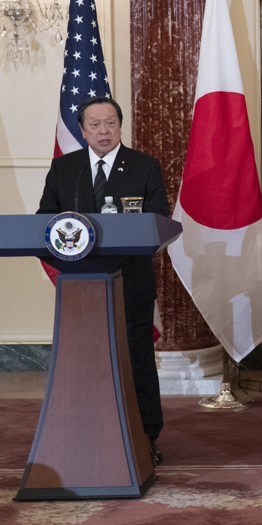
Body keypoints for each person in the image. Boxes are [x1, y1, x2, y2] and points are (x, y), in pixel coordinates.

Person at [38, 96, 170, 464]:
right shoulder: (66, 169)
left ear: (120, 126)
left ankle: (146, 434)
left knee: (136, 357)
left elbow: (159, 220)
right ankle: (82, 432)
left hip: (131, 281)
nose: (103, 130)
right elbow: (44, 220)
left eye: (110, 123)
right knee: (84, 360)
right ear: (81, 130)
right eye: (94, 124)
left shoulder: (144, 167)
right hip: (81, 286)